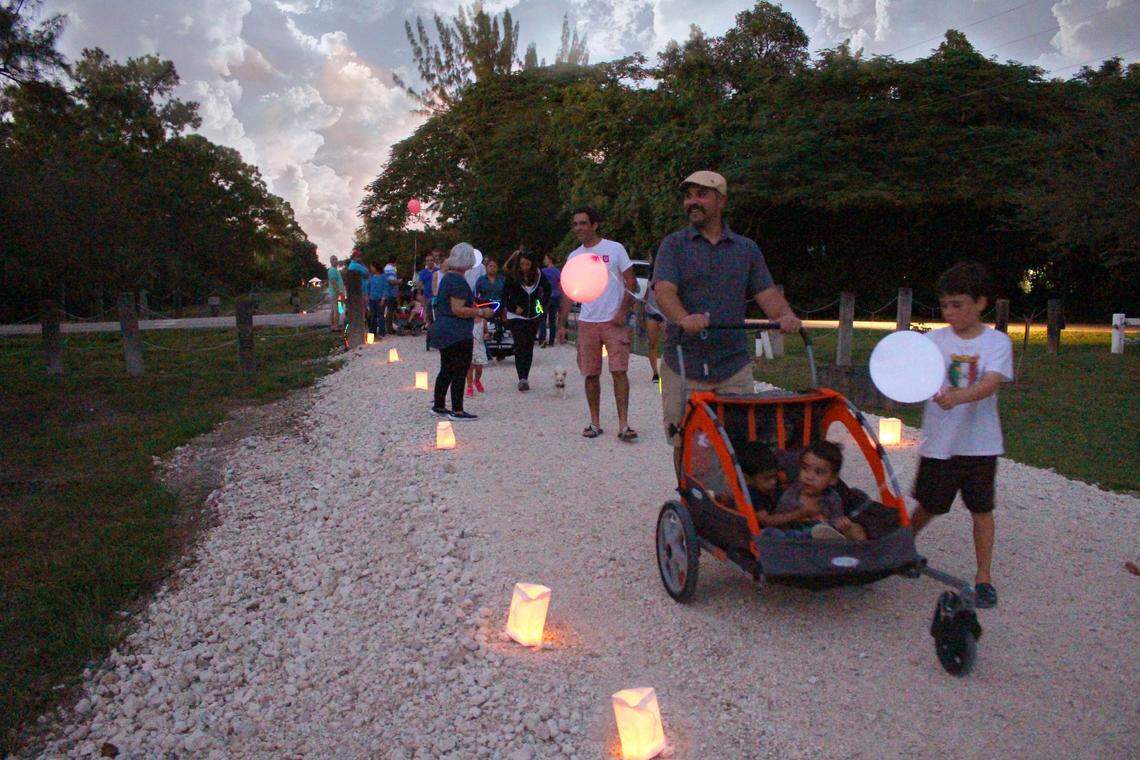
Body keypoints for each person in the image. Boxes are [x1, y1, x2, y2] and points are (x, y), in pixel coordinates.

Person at [652, 171, 801, 477]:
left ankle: (733, 504)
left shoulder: (746, 249)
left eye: (701, 195)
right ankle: (691, 499)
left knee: (739, 440)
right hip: (684, 362)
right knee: (686, 438)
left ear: (721, 200)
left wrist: (784, 316)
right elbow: (664, 290)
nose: (692, 202)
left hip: (732, 364)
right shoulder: (673, 245)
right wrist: (683, 318)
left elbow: (767, 292)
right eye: (688, 195)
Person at [909, 261, 1013, 609]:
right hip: (940, 443)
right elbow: (911, 375)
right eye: (945, 305)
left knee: (981, 509)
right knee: (929, 504)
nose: (949, 312)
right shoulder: (932, 341)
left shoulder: (996, 342)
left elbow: (990, 382)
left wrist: (957, 397)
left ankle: (983, 577)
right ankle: (900, 549)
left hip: (980, 444)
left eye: (958, 304)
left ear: (980, 303)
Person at [556, 206, 639, 441]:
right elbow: (568, 291)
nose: (579, 228)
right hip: (587, 321)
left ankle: (623, 424)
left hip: (613, 320)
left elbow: (632, 282)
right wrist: (562, 324)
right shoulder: (574, 257)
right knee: (590, 374)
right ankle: (595, 423)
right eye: (575, 224)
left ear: (594, 225)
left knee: (619, 371)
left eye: (583, 223)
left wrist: (623, 311)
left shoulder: (615, 249)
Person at [428, 243, 493, 421]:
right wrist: (480, 312)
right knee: (459, 369)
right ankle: (457, 410)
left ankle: (439, 405)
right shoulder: (458, 280)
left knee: (446, 368)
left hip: (443, 328)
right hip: (456, 332)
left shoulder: (447, 277)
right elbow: (457, 309)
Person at [761, 441, 866, 541]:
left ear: (833, 479)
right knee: (770, 532)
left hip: (820, 543)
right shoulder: (792, 494)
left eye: (818, 472)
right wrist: (800, 513)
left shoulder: (832, 498)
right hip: (795, 541)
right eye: (805, 468)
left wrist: (842, 524)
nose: (809, 477)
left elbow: (836, 523)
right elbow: (779, 521)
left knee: (855, 530)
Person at [503, 248, 552, 391]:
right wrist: (512, 307)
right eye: (522, 264)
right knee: (520, 345)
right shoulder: (512, 275)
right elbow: (504, 295)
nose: (524, 267)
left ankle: (526, 376)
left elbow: (547, 289)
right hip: (516, 316)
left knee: (529, 345)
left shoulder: (538, 274)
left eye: (527, 265)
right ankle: (521, 378)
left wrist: (541, 305)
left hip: (533, 315)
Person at [738, 440, 780, 512]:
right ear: (746, 479)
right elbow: (767, 521)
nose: (773, 482)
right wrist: (800, 513)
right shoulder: (751, 496)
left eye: (775, 476)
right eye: (767, 478)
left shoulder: (765, 489)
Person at [643, 254, 663, 383]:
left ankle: (667, 371)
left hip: (666, 314)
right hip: (652, 313)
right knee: (652, 344)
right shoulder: (650, 278)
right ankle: (655, 373)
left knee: (668, 344)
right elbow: (646, 296)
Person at [417, 250, 441, 350]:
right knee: (429, 319)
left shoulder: (438, 271)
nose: (429, 262)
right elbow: (419, 285)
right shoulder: (423, 273)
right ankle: (430, 339)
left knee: (438, 318)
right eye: (427, 260)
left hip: (437, 298)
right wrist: (421, 293)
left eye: (431, 260)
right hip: (427, 298)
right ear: (425, 262)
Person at [538, 253, 561, 347]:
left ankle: (542, 340)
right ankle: (551, 341)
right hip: (556, 296)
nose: (544, 261)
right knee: (552, 320)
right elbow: (560, 284)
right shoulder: (557, 271)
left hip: (545, 297)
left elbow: (539, 284)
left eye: (546, 259)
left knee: (542, 319)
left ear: (550, 259)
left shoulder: (542, 271)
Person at [367, 262, 387, 338]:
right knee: (373, 316)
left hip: (380, 299)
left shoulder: (383, 276)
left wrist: (383, 299)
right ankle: (373, 332)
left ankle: (382, 332)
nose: (371, 269)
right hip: (372, 299)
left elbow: (385, 288)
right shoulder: (371, 276)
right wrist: (367, 297)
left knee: (381, 316)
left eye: (372, 267)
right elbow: (368, 287)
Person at [326, 255, 345, 331]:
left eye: (336, 259)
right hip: (336, 294)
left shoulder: (335, 270)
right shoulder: (332, 270)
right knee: (336, 310)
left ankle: (334, 325)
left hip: (338, 294)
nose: (335, 261)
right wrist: (339, 292)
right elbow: (333, 282)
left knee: (336, 310)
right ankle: (335, 327)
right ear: (330, 261)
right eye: (333, 259)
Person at [383, 255, 400, 335]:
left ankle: (388, 328)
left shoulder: (385, 269)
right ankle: (389, 329)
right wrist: (399, 281)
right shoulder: (391, 269)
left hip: (386, 292)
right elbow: (391, 281)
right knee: (390, 311)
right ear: (395, 262)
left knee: (389, 311)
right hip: (391, 292)